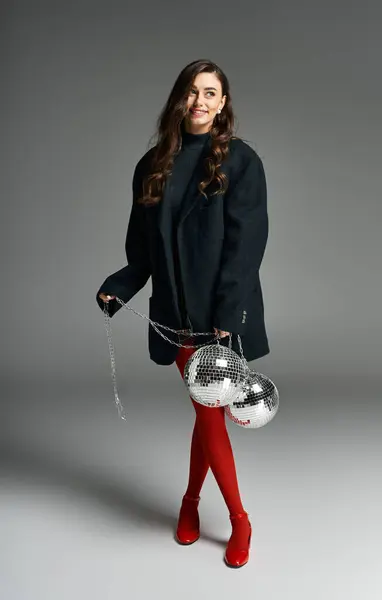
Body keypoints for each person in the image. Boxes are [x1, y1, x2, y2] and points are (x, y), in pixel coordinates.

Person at [96, 59, 270, 568]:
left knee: (207, 415)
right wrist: (119, 288)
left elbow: (247, 244)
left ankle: (231, 516)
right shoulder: (152, 165)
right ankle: (208, 509)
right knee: (207, 413)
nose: (200, 101)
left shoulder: (241, 162)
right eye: (192, 92)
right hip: (175, 315)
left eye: (210, 93)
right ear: (180, 99)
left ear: (222, 104)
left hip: (222, 316)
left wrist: (226, 311)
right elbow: (141, 250)